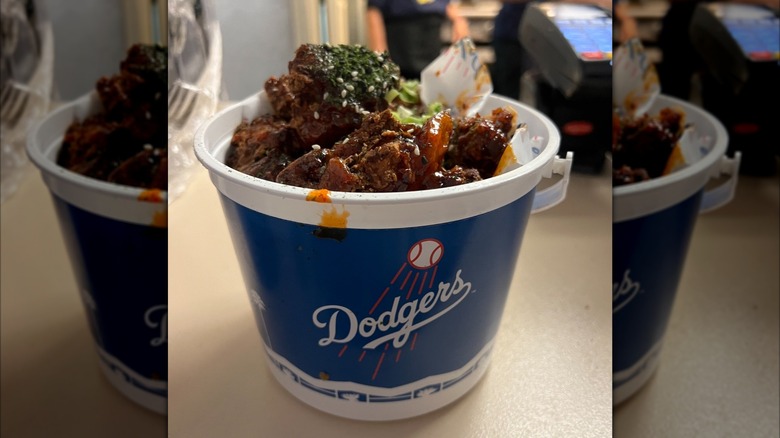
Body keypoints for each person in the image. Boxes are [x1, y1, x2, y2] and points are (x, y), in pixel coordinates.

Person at [366, 0, 470, 80]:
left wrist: (458, 20)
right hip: (402, 57)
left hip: (432, 59)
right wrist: (382, 61)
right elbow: (374, 11)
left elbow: (443, 4)